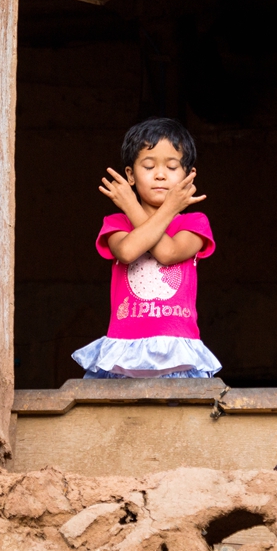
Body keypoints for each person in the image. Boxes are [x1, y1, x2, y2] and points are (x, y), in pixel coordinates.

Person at [72, 117, 221, 379]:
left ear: (187, 175)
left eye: (172, 167)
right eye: (149, 166)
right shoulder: (116, 223)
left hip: (177, 354)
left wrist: (138, 206)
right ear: (130, 175)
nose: (160, 174)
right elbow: (128, 252)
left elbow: (167, 253)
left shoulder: (195, 223)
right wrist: (154, 210)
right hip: (124, 353)